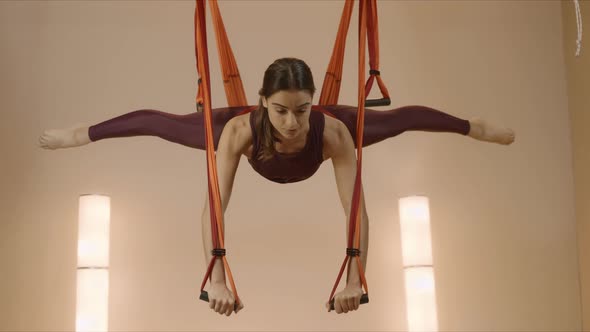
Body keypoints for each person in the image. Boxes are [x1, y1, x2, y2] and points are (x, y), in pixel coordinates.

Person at [38, 57, 515, 316]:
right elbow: (214, 210)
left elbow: (356, 212)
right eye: (282, 109)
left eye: (302, 109)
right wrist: (217, 278)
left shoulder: (330, 132)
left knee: (401, 120)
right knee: (161, 124)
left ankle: (472, 125)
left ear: (313, 103)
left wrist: (355, 276)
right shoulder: (240, 130)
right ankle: (84, 132)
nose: (292, 122)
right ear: (263, 102)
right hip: (243, 138)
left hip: (336, 132)